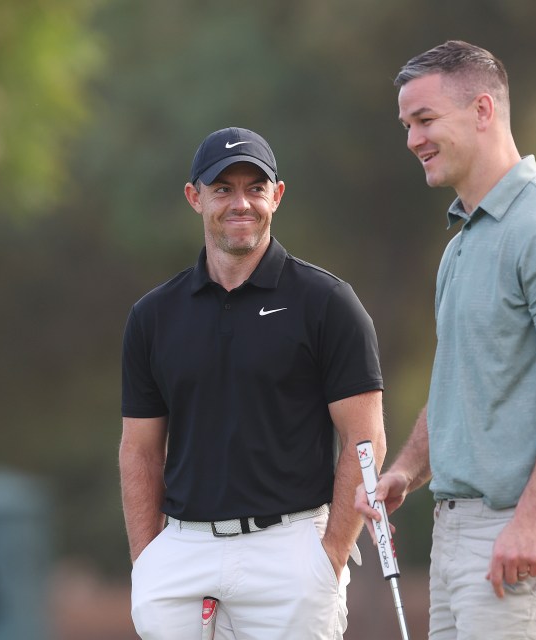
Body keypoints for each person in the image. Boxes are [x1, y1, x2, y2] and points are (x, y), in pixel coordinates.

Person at [355, 41, 536, 639]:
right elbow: (462, 386)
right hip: (459, 532)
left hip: (523, 529)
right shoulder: (462, 244)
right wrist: (405, 471)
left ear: (481, 110)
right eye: (406, 125)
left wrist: (531, 521)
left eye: (424, 120)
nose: (412, 140)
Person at [121, 126, 386, 640]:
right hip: (182, 551)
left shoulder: (327, 303)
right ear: (195, 198)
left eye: (254, 188)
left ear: (276, 196)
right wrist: (147, 559)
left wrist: (329, 555)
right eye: (222, 189)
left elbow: (364, 438)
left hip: (289, 549)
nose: (240, 203)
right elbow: (140, 451)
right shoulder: (153, 316)